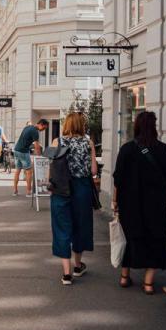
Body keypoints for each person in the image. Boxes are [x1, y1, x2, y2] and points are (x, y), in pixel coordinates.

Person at [112, 110, 166, 294]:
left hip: (130, 206)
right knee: (156, 241)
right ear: (154, 127)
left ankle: (124, 277)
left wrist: (115, 201)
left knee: (130, 239)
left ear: (136, 126)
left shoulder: (126, 149)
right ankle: (148, 283)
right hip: (156, 205)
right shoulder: (163, 150)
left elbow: (117, 180)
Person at [49, 112, 98, 285]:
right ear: (81, 125)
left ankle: (66, 273)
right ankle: (78, 265)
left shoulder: (57, 142)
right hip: (82, 189)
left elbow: (51, 166)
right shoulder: (88, 142)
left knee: (62, 228)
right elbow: (93, 171)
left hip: (61, 189)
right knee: (80, 226)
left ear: (67, 125)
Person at [13, 118, 49, 197]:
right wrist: (40, 156)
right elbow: (36, 145)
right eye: (44, 128)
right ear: (41, 124)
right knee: (29, 172)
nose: (43, 130)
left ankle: (15, 191)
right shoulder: (35, 132)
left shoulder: (27, 127)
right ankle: (28, 192)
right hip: (23, 152)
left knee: (18, 171)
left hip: (16, 150)